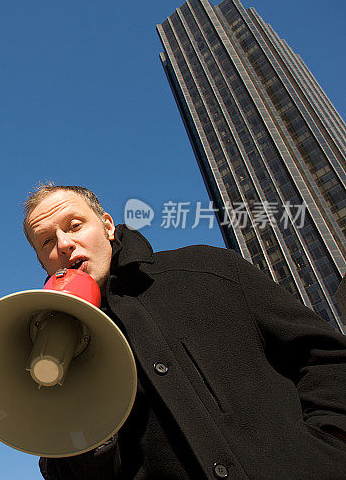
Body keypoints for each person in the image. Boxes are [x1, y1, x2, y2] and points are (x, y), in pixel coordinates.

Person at [23, 184, 346, 479]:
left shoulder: (210, 269)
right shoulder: (51, 355)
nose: (64, 244)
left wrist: (328, 448)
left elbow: (327, 358)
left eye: (75, 226)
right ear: (42, 262)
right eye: (47, 242)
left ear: (107, 226)